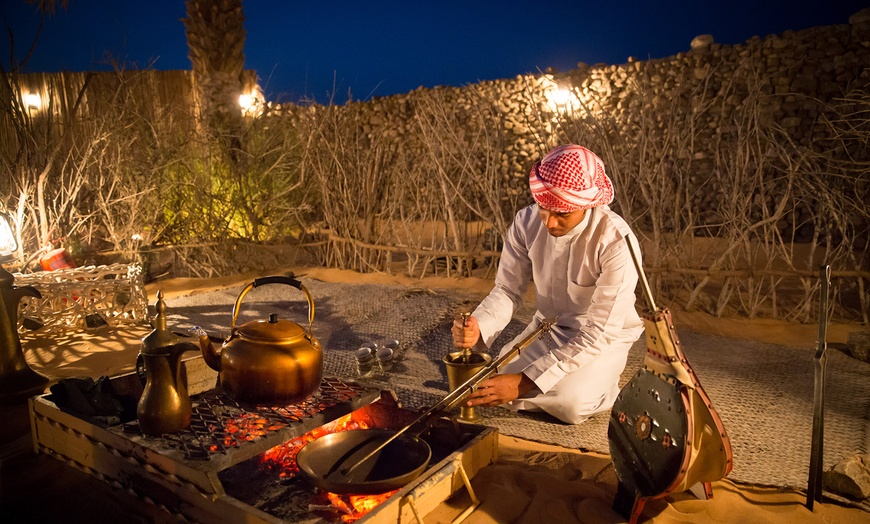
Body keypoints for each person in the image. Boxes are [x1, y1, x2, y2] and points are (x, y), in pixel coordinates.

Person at [452, 144, 644, 424]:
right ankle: (553, 386)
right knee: (488, 385)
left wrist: (523, 382)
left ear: (586, 205)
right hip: (547, 329)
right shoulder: (525, 222)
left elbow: (599, 332)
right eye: (544, 208)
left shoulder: (616, 242)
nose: (550, 222)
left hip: (602, 338)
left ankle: (605, 387)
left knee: (571, 405)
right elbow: (507, 289)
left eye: (562, 214)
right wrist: (479, 324)